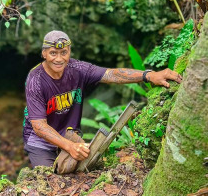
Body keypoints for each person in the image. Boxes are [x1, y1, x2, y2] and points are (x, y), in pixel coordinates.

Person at [22, 30, 182, 168]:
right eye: (53, 53)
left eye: (63, 53)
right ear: (44, 54)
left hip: (69, 134)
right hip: (40, 142)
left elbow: (111, 74)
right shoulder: (35, 79)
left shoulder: (77, 69)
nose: (59, 59)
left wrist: (149, 75)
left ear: (69, 52)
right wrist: (69, 147)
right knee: (49, 179)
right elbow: (39, 126)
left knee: (83, 174)